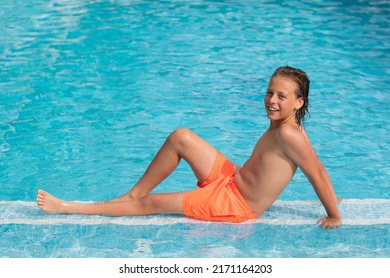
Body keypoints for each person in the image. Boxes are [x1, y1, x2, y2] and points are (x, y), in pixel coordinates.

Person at [37, 66, 341, 228]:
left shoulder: (291, 136)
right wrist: (333, 197)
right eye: (269, 92)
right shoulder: (287, 126)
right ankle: (133, 193)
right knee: (180, 136)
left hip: (236, 205)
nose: (271, 100)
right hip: (232, 180)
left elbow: (314, 172)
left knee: (153, 204)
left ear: (299, 102)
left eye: (282, 96)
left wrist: (333, 215)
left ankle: (68, 207)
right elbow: (319, 167)